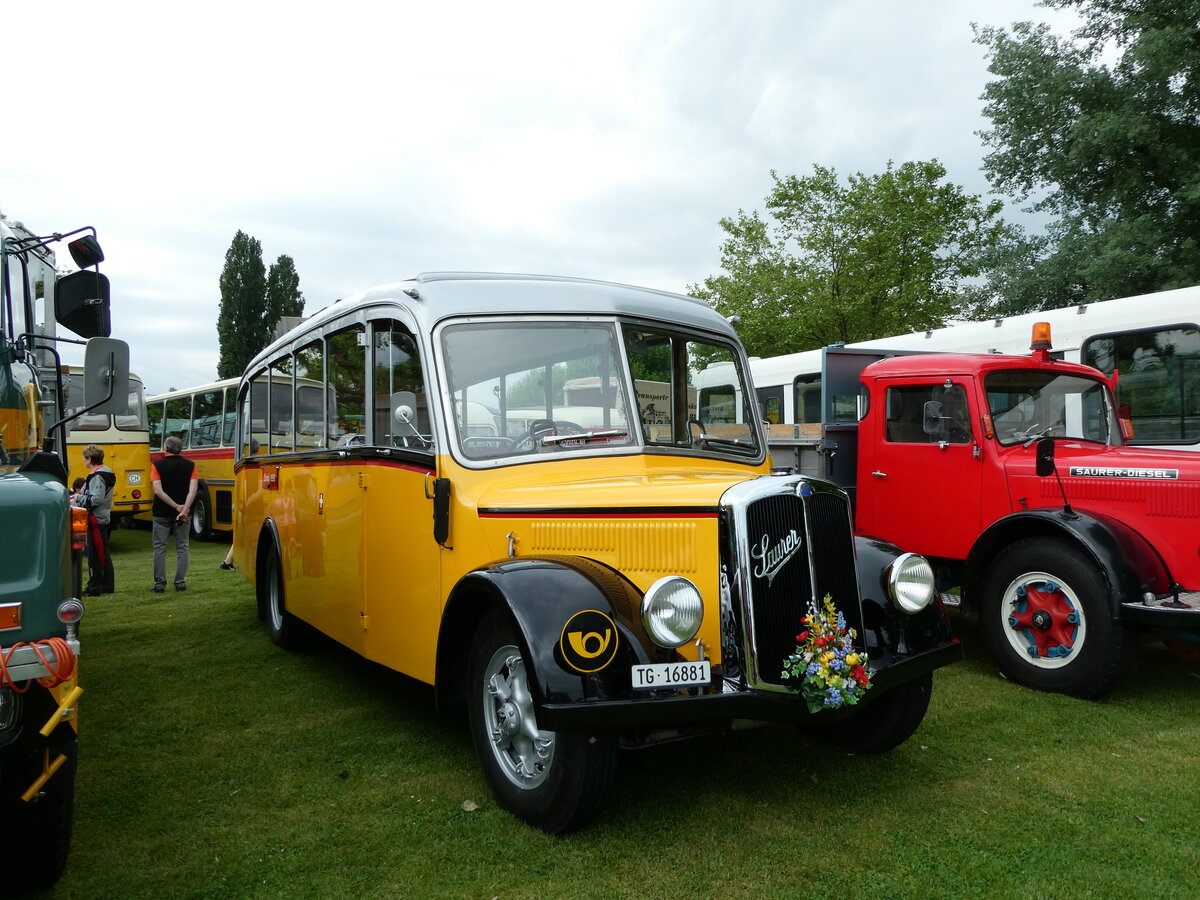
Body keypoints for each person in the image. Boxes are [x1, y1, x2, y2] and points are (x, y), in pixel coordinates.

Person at [150, 435, 198, 593]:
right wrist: (184, 509)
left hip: (161, 512)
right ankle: (180, 582)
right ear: (181, 449)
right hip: (184, 513)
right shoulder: (191, 466)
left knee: (160, 548)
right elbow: (193, 490)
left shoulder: (157, 465)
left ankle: (160, 583)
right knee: (183, 547)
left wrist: (176, 506)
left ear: (166, 448)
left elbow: (158, 491)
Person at [76, 445, 116, 596]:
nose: (84, 461)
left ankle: (95, 587)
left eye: (85, 458)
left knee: (95, 554)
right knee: (102, 553)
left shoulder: (98, 476)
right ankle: (106, 585)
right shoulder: (104, 473)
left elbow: (96, 499)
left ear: (90, 459)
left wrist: (78, 498)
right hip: (100, 519)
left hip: (95, 520)